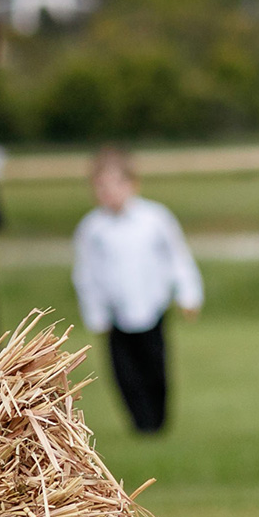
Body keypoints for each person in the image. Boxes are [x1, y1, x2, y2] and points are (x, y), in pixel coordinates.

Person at [72, 147, 204, 433]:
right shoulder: (92, 229)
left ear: (132, 184)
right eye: (102, 186)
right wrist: (95, 313)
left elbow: (177, 259)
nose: (109, 192)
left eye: (116, 184)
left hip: (151, 307)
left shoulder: (155, 219)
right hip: (116, 313)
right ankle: (140, 423)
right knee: (124, 374)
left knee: (155, 367)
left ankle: (158, 421)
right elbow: (86, 275)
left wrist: (188, 294)